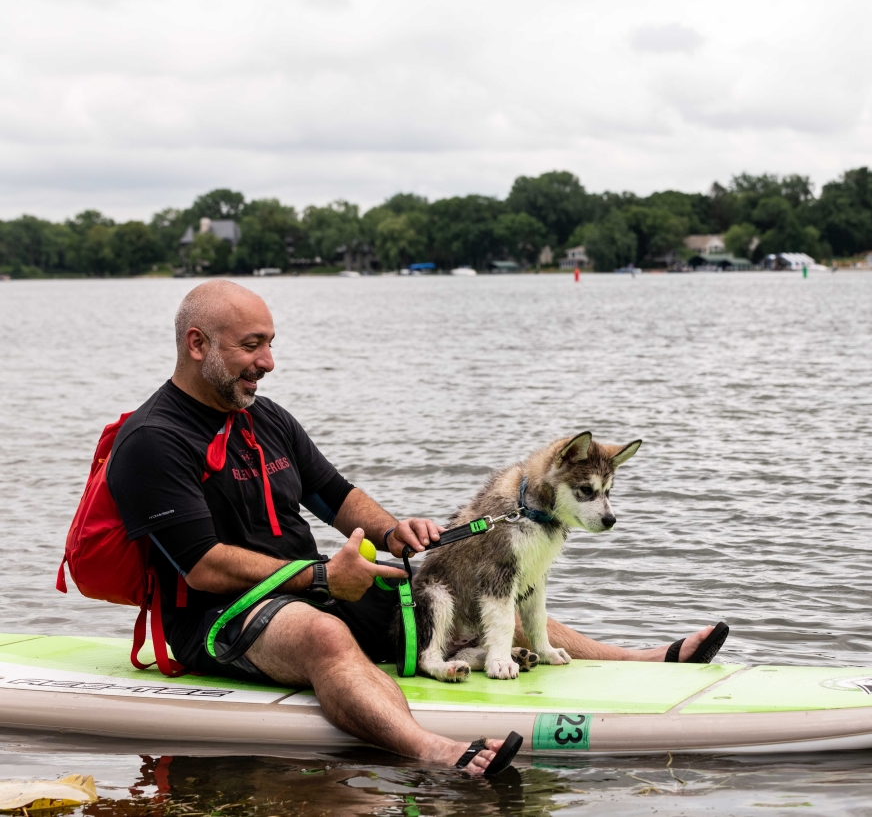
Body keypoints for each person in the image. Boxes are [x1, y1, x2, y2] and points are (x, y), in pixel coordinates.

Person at [106, 279, 723, 773]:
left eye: (270, 343)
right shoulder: (152, 440)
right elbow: (202, 565)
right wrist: (324, 574)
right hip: (216, 617)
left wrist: (395, 531)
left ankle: (648, 658)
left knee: (471, 583)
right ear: (196, 345)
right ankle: (431, 751)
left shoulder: (267, 418)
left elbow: (334, 494)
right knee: (323, 637)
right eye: (251, 345)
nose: (268, 361)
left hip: (310, 583)